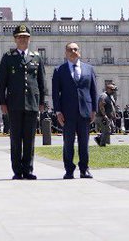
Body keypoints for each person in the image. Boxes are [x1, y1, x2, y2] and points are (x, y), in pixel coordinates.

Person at [0, 23, 46, 180]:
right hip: (14, 104)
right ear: (15, 39)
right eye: (20, 37)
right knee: (16, 139)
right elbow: (2, 82)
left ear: (29, 39)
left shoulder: (36, 57)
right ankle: (17, 171)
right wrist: (2, 103)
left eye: (25, 37)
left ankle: (29, 169)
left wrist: (42, 102)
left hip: (32, 104)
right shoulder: (8, 58)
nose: (22, 40)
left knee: (30, 138)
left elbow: (41, 82)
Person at [52, 41, 98, 179]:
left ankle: (84, 169)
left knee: (84, 143)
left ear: (79, 52)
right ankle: (69, 170)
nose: (73, 52)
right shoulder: (59, 70)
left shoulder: (89, 69)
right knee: (68, 143)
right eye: (70, 49)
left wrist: (94, 110)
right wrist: (58, 112)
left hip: (85, 112)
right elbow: (55, 93)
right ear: (65, 53)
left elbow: (93, 90)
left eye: (75, 49)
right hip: (67, 113)